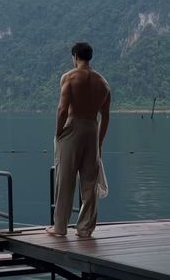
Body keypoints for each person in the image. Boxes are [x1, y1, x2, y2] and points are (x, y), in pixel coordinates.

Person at [46, 42, 110, 237]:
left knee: (65, 178)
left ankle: (59, 228)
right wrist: (99, 141)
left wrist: (59, 133)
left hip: (73, 128)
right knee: (90, 182)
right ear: (90, 57)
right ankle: (85, 228)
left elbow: (62, 109)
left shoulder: (69, 77)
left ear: (75, 57)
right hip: (92, 128)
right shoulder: (103, 83)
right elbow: (106, 116)